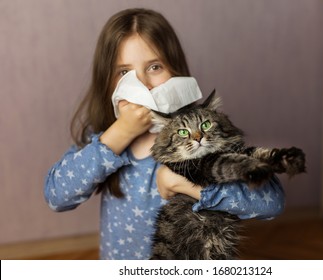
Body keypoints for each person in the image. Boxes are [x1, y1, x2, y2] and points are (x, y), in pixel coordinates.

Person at [44, 8, 285, 260]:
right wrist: (119, 134)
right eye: (125, 73)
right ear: (108, 82)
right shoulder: (104, 140)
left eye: (155, 67)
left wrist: (188, 186)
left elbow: (271, 203)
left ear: (176, 72)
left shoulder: (202, 137)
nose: (143, 85)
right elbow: (56, 196)